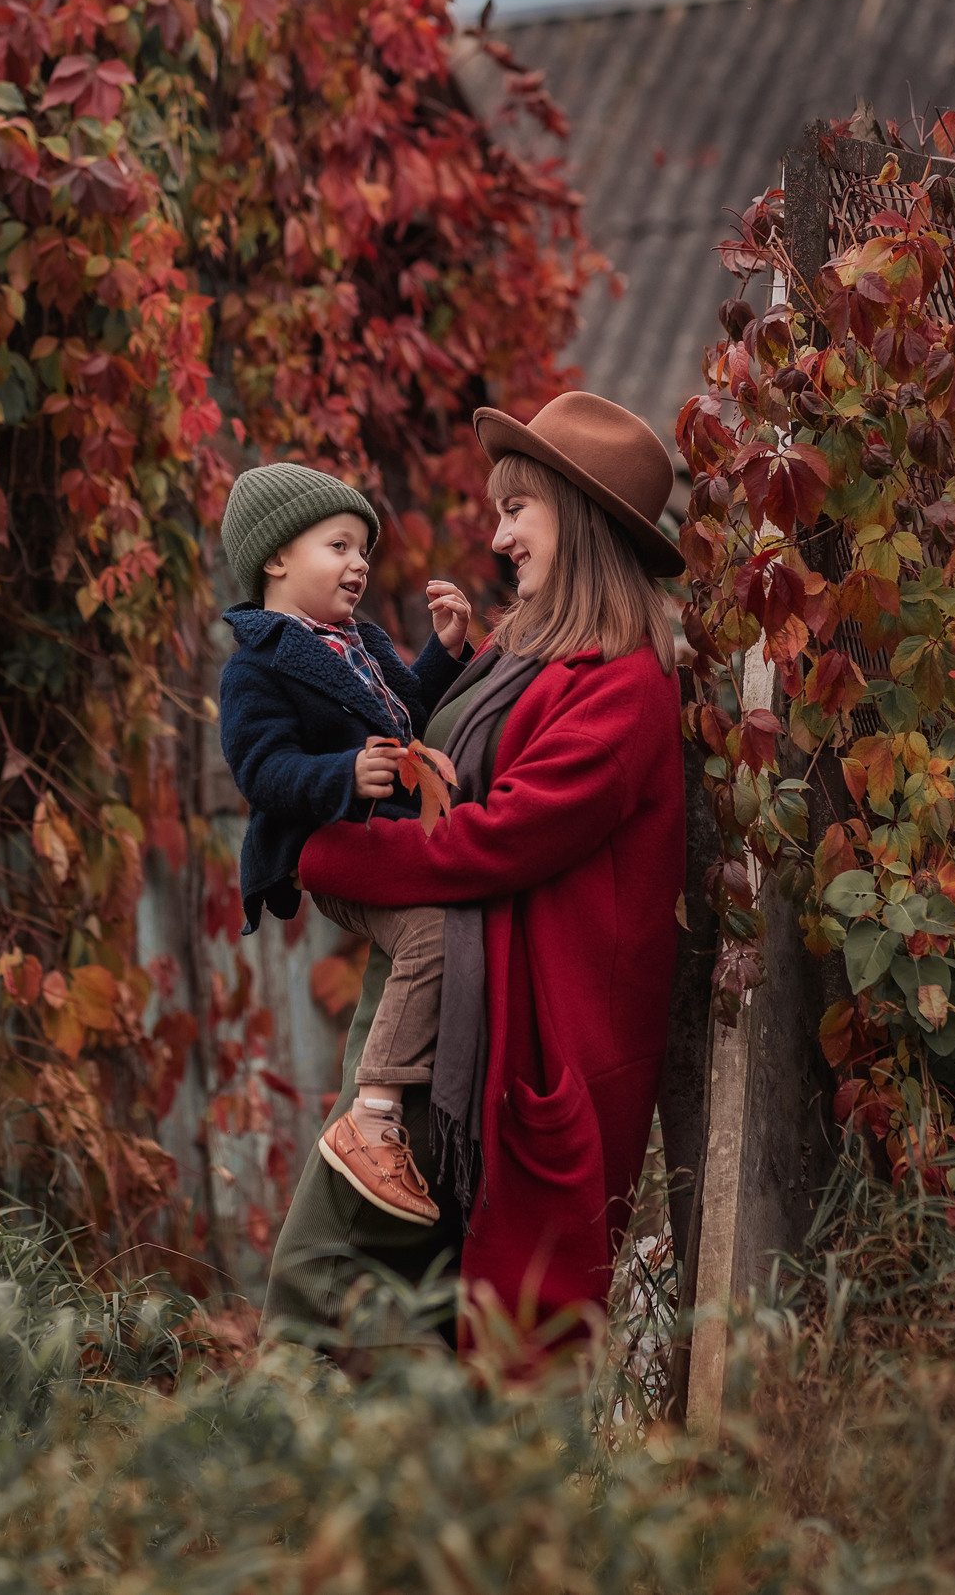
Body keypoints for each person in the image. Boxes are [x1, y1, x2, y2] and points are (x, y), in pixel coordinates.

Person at [262, 392, 686, 1349]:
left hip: (509, 1039)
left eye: (516, 511)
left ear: (574, 520)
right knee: (390, 1319)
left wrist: (321, 851)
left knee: (322, 1291)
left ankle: (259, 1480)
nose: (498, 540)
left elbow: (491, 839)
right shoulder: (517, 654)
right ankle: (338, 1493)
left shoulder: (622, 690)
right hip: (439, 1008)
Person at [218, 462, 472, 1227]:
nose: (359, 563)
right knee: (429, 931)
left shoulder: (358, 640)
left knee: (451, 920)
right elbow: (260, 769)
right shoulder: (256, 662)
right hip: (327, 844)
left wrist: (445, 650)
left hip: (385, 835)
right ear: (275, 558)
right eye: (339, 545)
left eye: (364, 549)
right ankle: (372, 1117)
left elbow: (406, 710)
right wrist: (340, 773)